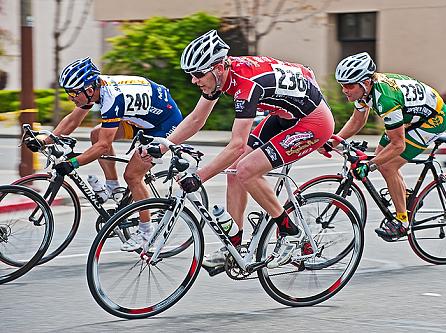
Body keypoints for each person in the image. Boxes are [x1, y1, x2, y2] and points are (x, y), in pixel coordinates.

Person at [142, 30, 335, 268]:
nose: (194, 80)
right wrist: (164, 145)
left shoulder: (246, 84)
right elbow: (196, 120)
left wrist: (199, 177)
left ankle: (290, 231)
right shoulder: (223, 76)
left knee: (245, 169)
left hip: (311, 123)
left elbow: (236, 146)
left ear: (219, 68)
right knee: (234, 172)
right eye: (191, 74)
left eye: (198, 74)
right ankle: (233, 243)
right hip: (285, 116)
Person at [26, 57, 183, 251]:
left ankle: (146, 231)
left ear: (89, 90)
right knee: (95, 133)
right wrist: (45, 140)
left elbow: (103, 146)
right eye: (68, 93)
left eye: (73, 93)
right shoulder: (94, 88)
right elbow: (72, 121)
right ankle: (113, 186)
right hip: (140, 118)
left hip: (164, 124)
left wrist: (73, 163)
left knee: (133, 175)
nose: (71, 98)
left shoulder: (111, 99)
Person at [327, 52, 446, 240]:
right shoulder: (365, 91)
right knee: (381, 157)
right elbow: (357, 121)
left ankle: (402, 222)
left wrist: (369, 165)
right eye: (342, 85)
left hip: (433, 119)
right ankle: (405, 196)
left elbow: (398, 145)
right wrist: (332, 142)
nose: (344, 90)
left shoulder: (385, 99)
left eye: (349, 85)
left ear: (365, 82)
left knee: (386, 164)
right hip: (410, 116)